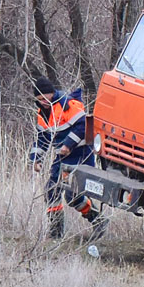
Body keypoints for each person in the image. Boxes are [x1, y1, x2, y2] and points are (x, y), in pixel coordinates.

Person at [30, 75, 107, 241]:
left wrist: (67, 145)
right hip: (61, 157)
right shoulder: (42, 113)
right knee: (51, 190)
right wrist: (37, 159)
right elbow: (42, 138)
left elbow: (83, 126)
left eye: (44, 97)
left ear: (51, 93)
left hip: (80, 155)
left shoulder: (68, 104)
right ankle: (56, 232)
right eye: (39, 99)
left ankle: (98, 220)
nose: (42, 101)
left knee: (73, 196)